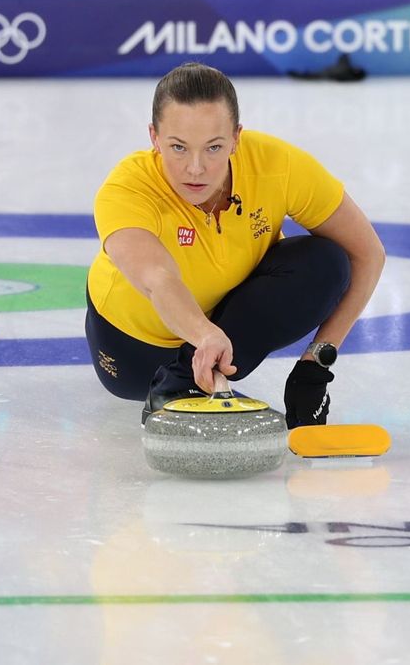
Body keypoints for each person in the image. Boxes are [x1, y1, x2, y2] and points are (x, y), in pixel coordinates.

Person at [85, 62, 386, 427]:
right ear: (154, 137)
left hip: (219, 335)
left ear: (236, 137)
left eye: (214, 148)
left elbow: (367, 254)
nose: (195, 168)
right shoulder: (126, 189)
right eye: (178, 147)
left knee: (327, 262)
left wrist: (317, 365)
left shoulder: (276, 165)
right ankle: (175, 384)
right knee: (158, 334)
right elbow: (157, 279)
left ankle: (192, 376)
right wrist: (204, 334)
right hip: (134, 351)